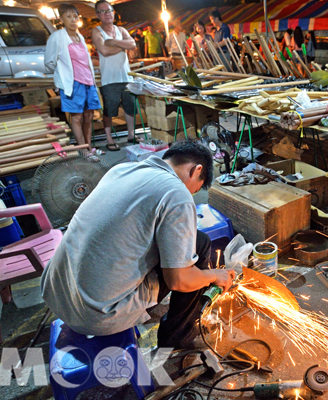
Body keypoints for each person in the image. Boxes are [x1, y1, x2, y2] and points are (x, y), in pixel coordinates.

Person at [40, 141, 236, 349]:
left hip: (56, 293)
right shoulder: (176, 193)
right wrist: (215, 275)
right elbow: (180, 280)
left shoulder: (121, 170)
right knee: (200, 248)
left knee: (194, 241)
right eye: (195, 189)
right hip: (97, 315)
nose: (191, 194)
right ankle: (177, 339)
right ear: (196, 170)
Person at [45, 3, 102, 156]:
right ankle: (83, 150)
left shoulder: (80, 37)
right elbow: (49, 62)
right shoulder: (57, 37)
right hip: (73, 84)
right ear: (61, 19)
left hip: (88, 82)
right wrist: (61, 77)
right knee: (77, 118)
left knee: (89, 117)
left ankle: (89, 147)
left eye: (75, 17)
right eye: (68, 17)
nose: (72, 20)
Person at [92, 0, 141, 152]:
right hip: (109, 78)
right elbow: (104, 51)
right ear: (98, 14)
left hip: (126, 76)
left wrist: (113, 42)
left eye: (109, 10)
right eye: (103, 11)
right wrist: (122, 47)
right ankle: (109, 138)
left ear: (113, 12)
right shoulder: (97, 31)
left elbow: (133, 44)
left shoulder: (121, 29)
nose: (107, 14)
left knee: (130, 107)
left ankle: (131, 135)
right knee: (109, 110)